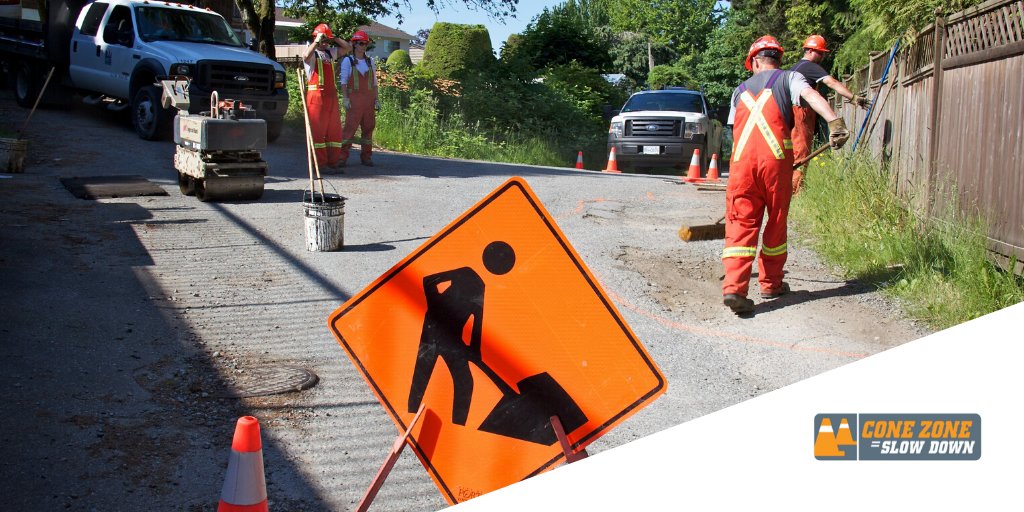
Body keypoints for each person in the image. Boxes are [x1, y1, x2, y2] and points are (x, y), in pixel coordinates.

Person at [722, 35, 849, 315]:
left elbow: (735, 132)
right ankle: (770, 284)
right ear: (778, 59)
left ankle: (734, 288)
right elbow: (812, 96)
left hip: (741, 166)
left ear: (754, 61)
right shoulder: (790, 79)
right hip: (776, 163)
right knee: (776, 222)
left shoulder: (738, 90)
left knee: (741, 223)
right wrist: (834, 122)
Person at [789, 35, 868, 193]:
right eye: (820, 52)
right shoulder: (810, 67)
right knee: (801, 151)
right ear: (810, 51)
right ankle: (795, 191)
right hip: (801, 112)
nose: (823, 56)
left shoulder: (795, 68)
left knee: (792, 152)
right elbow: (832, 83)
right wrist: (853, 98)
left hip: (790, 112)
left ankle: (791, 186)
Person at [303, 23, 351, 170]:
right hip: (316, 97)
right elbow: (305, 56)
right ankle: (320, 164)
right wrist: (316, 41)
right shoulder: (312, 53)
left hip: (331, 97)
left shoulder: (330, 53)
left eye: (326, 41)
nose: (325, 43)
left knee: (334, 130)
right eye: (323, 40)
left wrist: (334, 37)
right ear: (316, 38)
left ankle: (333, 162)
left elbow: (347, 48)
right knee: (318, 132)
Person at [338, 30, 379, 167]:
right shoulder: (347, 61)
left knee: (368, 129)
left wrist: (376, 99)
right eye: (361, 43)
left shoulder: (370, 61)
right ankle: (342, 157)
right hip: (354, 100)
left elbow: (374, 83)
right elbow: (343, 81)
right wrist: (345, 98)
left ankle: (366, 157)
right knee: (349, 129)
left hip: (368, 100)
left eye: (365, 43)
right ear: (355, 44)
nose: (363, 46)